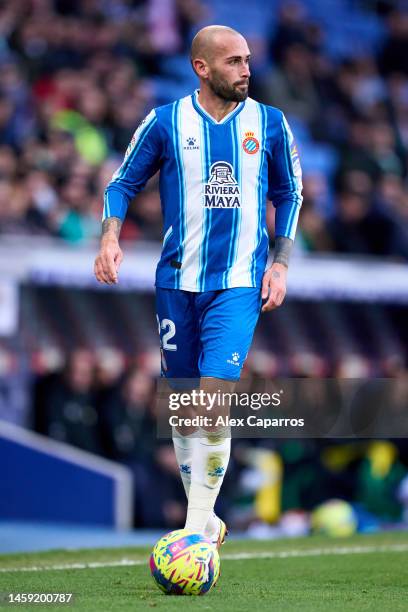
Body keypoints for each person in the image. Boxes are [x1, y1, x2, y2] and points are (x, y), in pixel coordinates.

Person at [94, 25, 302, 548]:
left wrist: (279, 264)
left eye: (248, 59)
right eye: (233, 61)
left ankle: (193, 531)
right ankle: (204, 517)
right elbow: (121, 184)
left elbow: (290, 192)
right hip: (176, 282)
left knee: (212, 401)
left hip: (238, 282)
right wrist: (109, 238)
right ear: (202, 68)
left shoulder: (270, 124)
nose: (246, 70)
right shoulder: (165, 122)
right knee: (185, 407)